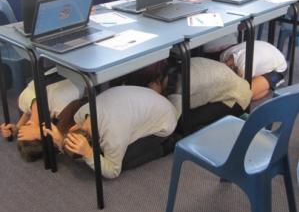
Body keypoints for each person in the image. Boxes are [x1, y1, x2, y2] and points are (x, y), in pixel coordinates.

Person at [44, 85, 179, 179]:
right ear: (73, 127)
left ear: (97, 146)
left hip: (165, 122)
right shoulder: (81, 114)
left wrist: (89, 154)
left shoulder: (113, 137)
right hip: (147, 101)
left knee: (123, 161)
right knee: (113, 153)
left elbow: (113, 171)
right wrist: (61, 141)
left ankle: (167, 146)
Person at [123, 57, 252, 131]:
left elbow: (170, 123)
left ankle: (231, 122)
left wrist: (155, 98)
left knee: (183, 125)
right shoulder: (175, 66)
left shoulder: (178, 90)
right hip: (233, 84)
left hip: (237, 98)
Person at [0, 76, 85, 160]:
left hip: (56, 76)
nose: (27, 122)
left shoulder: (46, 116)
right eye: (28, 126)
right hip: (79, 76)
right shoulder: (61, 113)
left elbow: (29, 112)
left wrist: (17, 127)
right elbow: (31, 99)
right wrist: (35, 124)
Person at [219, 40, 287, 100]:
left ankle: (270, 86)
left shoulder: (244, 66)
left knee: (244, 94)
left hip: (278, 67)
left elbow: (243, 87)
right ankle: (261, 81)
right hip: (265, 51)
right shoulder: (224, 55)